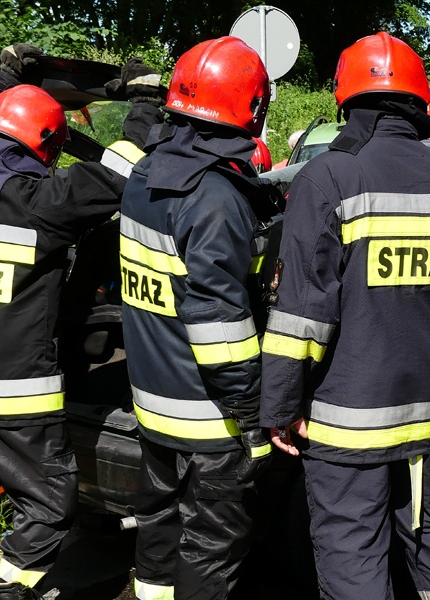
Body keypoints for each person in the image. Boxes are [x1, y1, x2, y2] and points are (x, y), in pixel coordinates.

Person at [261, 31, 430, 599]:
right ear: (419, 101)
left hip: (345, 420)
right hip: (425, 414)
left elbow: (300, 317)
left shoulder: (329, 177)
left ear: (346, 98)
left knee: (352, 548)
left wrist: (280, 406)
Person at [0, 45, 163, 599]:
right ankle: (5, 586)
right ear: (44, 146)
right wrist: (147, 99)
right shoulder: (40, 199)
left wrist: (9, 76)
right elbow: (120, 172)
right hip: (15, 396)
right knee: (51, 500)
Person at [119, 37, 277, 600]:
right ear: (252, 107)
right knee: (212, 544)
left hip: (153, 401)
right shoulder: (215, 198)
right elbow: (218, 324)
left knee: (159, 528)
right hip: (210, 417)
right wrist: (252, 414)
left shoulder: (146, 175)